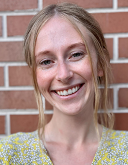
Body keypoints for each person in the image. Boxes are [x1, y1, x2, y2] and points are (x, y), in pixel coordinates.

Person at [0, 2, 128, 165]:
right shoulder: (8, 155)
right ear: (35, 74)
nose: (63, 74)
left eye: (76, 54)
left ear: (100, 64)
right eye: (46, 61)